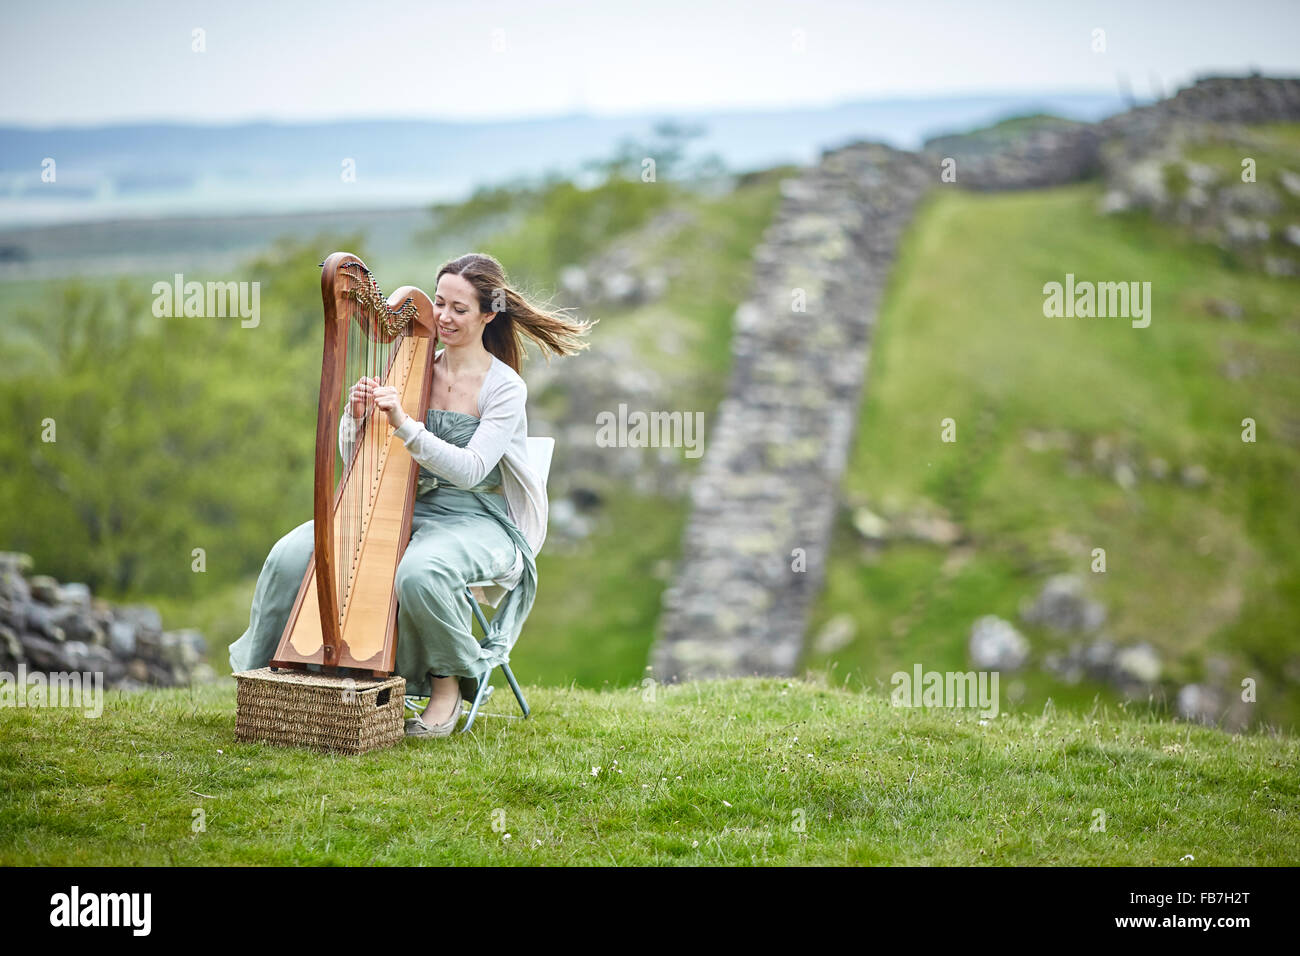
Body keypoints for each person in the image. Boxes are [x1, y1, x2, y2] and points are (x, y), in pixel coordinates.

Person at [228, 252, 594, 737]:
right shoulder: (414, 366)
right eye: (439, 302)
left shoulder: (504, 389)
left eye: (459, 309)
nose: (443, 316)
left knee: (422, 573)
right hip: (410, 506)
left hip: (479, 519)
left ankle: (448, 685)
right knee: (292, 554)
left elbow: (471, 471)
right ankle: (274, 677)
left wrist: (404, 423)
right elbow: (358, 458)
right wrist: (356, 418)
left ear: (489, 314)